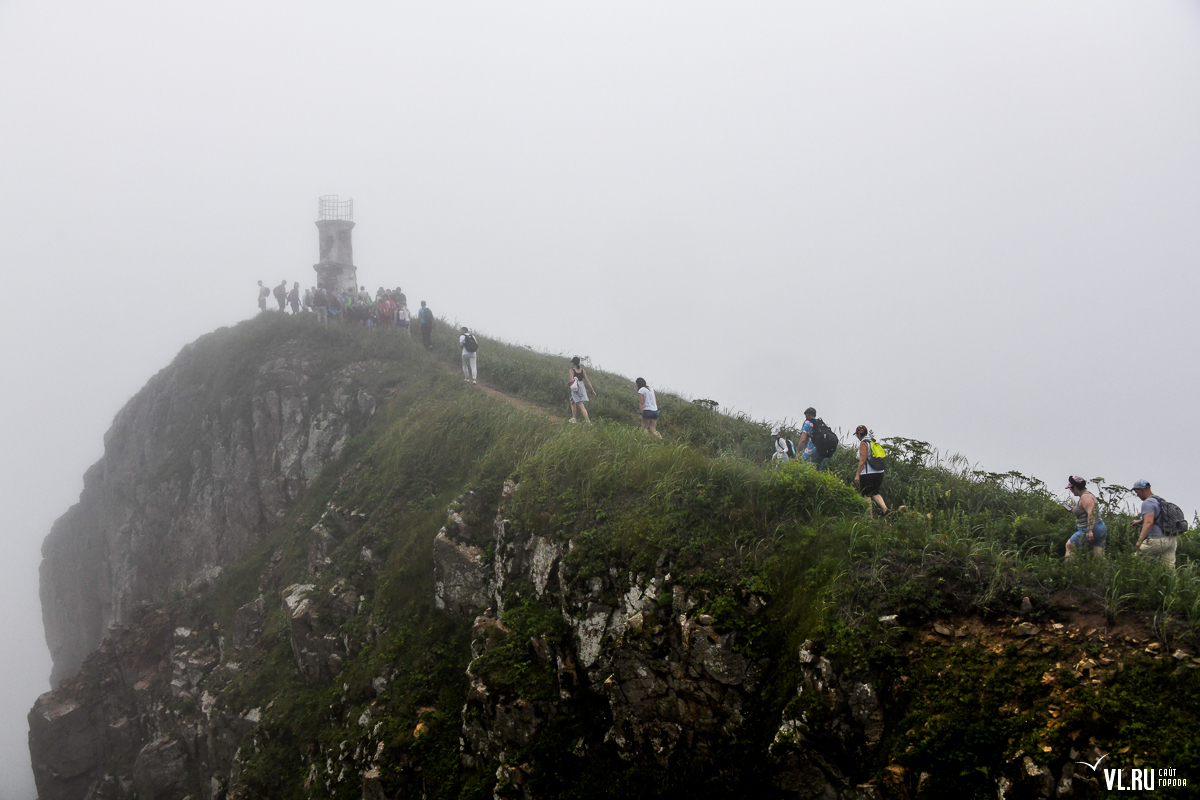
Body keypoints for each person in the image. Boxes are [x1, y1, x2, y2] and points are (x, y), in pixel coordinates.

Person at [1131, 480, 1177, 569]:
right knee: (1168, 569)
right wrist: (1140, 521)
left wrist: (1139, 541)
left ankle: (1141, 581)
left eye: (1137, 492)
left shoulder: (1147, 503)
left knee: (1135, 561)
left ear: (1141, 490)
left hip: (1157, 540)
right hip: (1171, 539)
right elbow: (1158, 516)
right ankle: (1171, 582)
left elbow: (1149, 523)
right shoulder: (1160, 500)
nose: (1137, 495)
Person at [1064, 476, 1106, 559]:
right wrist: (1073, 509)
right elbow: (1085, 511)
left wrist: (1089, 531)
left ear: (1076, 487)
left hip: (1089, 528)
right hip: (1099, 527)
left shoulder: (1085, 497)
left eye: (1071, 489)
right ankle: (1104, 571)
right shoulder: (1086, 496)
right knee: (1097, 552)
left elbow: (1091, 513)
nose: (1071, 491)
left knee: (1070, 546)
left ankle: (1068, 569)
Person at [853, 425, 889, 516]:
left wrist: (857, 475)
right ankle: (886, 510)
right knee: (874, 492)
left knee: (866, 495)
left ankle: (869, 517)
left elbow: (862, 460)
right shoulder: (872, 441)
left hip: (868, 474)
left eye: (857, 434)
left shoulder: (863, 443)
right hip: (879, 472)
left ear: (859, 434)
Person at [567, 357, 597, 423]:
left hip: (575, 387)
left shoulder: (571, 370)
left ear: (573, 363)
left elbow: (572, 380)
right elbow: (587, 381)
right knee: (572, 401)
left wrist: (568, 383)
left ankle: (587, 421)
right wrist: (592, 390)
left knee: (580, 404)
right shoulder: (582, 370)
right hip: (581, 387)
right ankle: (574, 418)